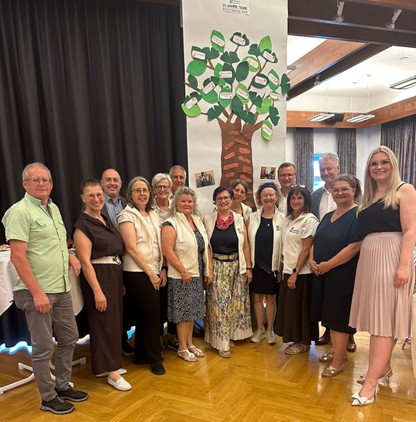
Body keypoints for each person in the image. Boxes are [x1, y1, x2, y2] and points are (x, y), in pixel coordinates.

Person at [2, 163, 88, 415]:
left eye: (46, 180)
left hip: (61, 287)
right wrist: (37, 293)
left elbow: (57, 242)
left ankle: (62, 385)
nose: (42, 184)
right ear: (24, 184)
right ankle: (48, 397)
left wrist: (70, 255)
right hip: (36, 291)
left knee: (70, 337)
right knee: (42, 347)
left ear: (51, 183)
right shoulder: (19, 212)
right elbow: (18, 257)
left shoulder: (54, 208)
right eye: (36, 180)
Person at [349, 146, 416, 406]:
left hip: (391, 257)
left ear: (393, 164)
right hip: (370, 260)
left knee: (383, 323)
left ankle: (370, 384)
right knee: (379, 318)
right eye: (374, 163)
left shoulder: (404, 190)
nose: (379, 167)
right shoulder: (369, 195)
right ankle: (384, 368)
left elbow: (411, 230)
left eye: (384, 162)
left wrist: (404, 266)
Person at [73, 179, 131, 391]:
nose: (96, 199)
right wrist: (97, 291)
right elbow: (85, 261)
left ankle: (108, 365)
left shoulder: (104, 219)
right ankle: (112, 373)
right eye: (91, 196)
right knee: (103, 323)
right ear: (83, 198)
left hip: (113, 275)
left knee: (113, 323)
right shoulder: (82, 226)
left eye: (99, 195)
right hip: (99, 276)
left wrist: (119, 281)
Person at [309, 175, 363, 378]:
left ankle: (338, 362)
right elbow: (316, 240)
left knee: (338, 317)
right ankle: (340, 353)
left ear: (354, 191)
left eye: (344, 189)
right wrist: (312, 261)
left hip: (342, 274)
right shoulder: (327, 215)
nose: (339, 193)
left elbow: (354, 247)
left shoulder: (358, 215)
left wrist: (328, 265)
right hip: (322, 273)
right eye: (336, 189)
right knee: (329, 316)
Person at [117, 177, 166, 375]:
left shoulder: (153, 214)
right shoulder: (126, 216)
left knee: (148, 315)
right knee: (151, 316)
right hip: (137, 272)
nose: (142, 194)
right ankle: (155, 359)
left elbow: (159, 244)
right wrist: (151, 274)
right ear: (130, 194)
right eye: (137, 190)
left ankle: (141, 355)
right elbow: (131, 248)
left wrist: (162, 269)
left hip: (155, 269)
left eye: (145, 190)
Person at [311, 152, 356, 352]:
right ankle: (329, 332)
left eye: (329, 168)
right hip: (321, 260)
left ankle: (349, 336)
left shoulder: (355, 200)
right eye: (322, 169)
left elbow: (355, 243)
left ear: (338, 168)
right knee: (328, 301)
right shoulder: (315, 196)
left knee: (343, 302)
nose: (326, 172)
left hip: (344, 262)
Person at [161, 187, 211, 362]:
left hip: (196, 273)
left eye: (190, 201)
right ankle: (182, 348)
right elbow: (167, 251)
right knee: (183, 314)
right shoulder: (170, 223)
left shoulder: (197, 221)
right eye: (183, 201)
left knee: (192, 312)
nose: (187, 204)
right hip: (181, 276)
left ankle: (189, 344)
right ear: (176, 203)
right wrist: (183, 271)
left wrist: (208, 270)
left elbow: (205, 247)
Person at [203, 187, 252, 358]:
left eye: (226, 198)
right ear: (215, 200)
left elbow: (245, 246)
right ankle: (221, 342)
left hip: (237, 267)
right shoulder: (207, 220)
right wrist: (209, 270)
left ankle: (230, 336)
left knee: (234, 304)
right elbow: (206, 248)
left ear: (232, 200)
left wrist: (248, 268)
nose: (223, 201)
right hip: (217, 266)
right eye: (220, 198)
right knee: (219, 305)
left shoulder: (239, 219)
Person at [275, 186, 319, 355]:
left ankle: (304, 343)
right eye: (293, 198)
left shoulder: (309, 220)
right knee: (291, 310)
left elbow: (306, 249)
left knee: (301, 309)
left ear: (306, 200)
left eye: (300, 198)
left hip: (301, 273)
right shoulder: (288, 219)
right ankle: (296, 339)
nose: (295, 201)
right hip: (288, 270)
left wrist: (295, 272)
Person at [247, 182, 284, 344]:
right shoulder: (252, 217)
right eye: (264, 195)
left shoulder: (283, 219)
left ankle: (270, 330)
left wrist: (281, 268)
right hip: (256, 265)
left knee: (270, 298)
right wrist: (248, 267)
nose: (268, 198)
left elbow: (285, 245)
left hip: (273, 266)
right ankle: (260, 329)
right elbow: (246, 243)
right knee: (256, 298)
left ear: (277, 197)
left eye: (271, 195)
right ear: (259, 198)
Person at [151, 173, 178, 351]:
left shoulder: (176, 207)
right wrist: (162, 267)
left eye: (166, 186)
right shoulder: (149, 208)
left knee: (175, 300)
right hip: (157, 261)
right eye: (159, 186)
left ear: (170, 189)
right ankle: (160, 336)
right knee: (159, 302)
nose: (163, 190)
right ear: (154, 189)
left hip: (175, 260)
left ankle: (174, 335)